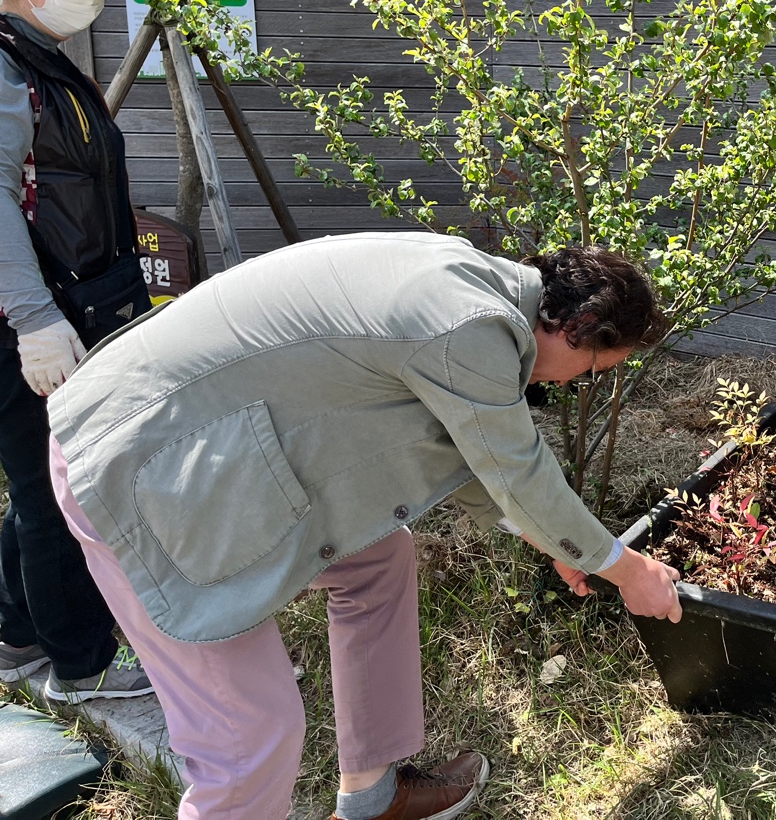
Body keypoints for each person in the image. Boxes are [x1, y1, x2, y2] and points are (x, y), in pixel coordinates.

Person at [46, 234, 682, 820]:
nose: (583, 384)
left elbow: (477, 462)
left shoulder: (467, 283)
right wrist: (627, 570)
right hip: (133, 470)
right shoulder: (470, 326)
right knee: (251, 735)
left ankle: (372, 794)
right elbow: (519, 473)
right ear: (576, 329)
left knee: (378, 561)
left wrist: (557, 545)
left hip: (187, 443)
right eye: (598, 369)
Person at [0, 0, 155, 701]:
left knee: (36, 480)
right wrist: (33, 321)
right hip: (36, 318)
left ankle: (18, 632)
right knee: (54, 491)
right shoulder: (5, 61)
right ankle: (81, 667)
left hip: (74, 303)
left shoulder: (39, 55)